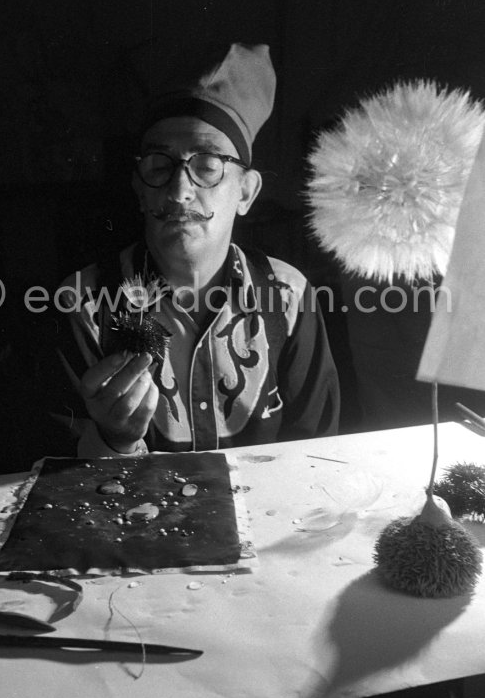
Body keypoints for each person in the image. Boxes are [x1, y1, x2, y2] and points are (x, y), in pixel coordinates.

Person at [45, 43, 339, 458]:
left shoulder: (289, 294)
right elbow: (58, 477)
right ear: (138, 188)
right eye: (159, 165)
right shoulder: (84, 303)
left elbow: (317, 451)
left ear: (246, 192)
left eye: (207, 165)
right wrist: (116, 441)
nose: (179, 191)